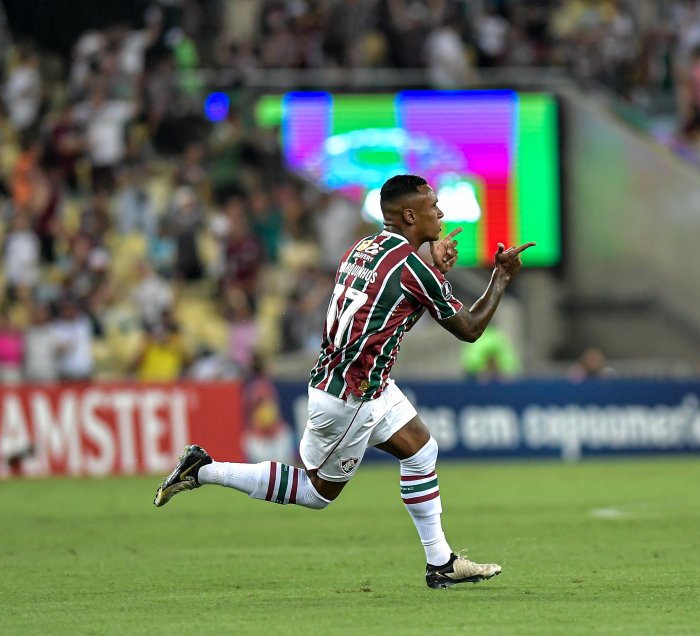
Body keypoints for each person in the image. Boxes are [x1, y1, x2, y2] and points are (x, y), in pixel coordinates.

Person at [154, 174, 535, 589]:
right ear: (410, 215)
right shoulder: (412, 270)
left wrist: (431, 270)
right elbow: (470, 329)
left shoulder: (363, 248)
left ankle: (440, 562)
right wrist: (501, 276)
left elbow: (393, 311)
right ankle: (204, 470)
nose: (440, 213)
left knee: (422, 449)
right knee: (316, 493)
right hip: (354, 396)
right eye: (433, 206)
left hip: (358, 382)